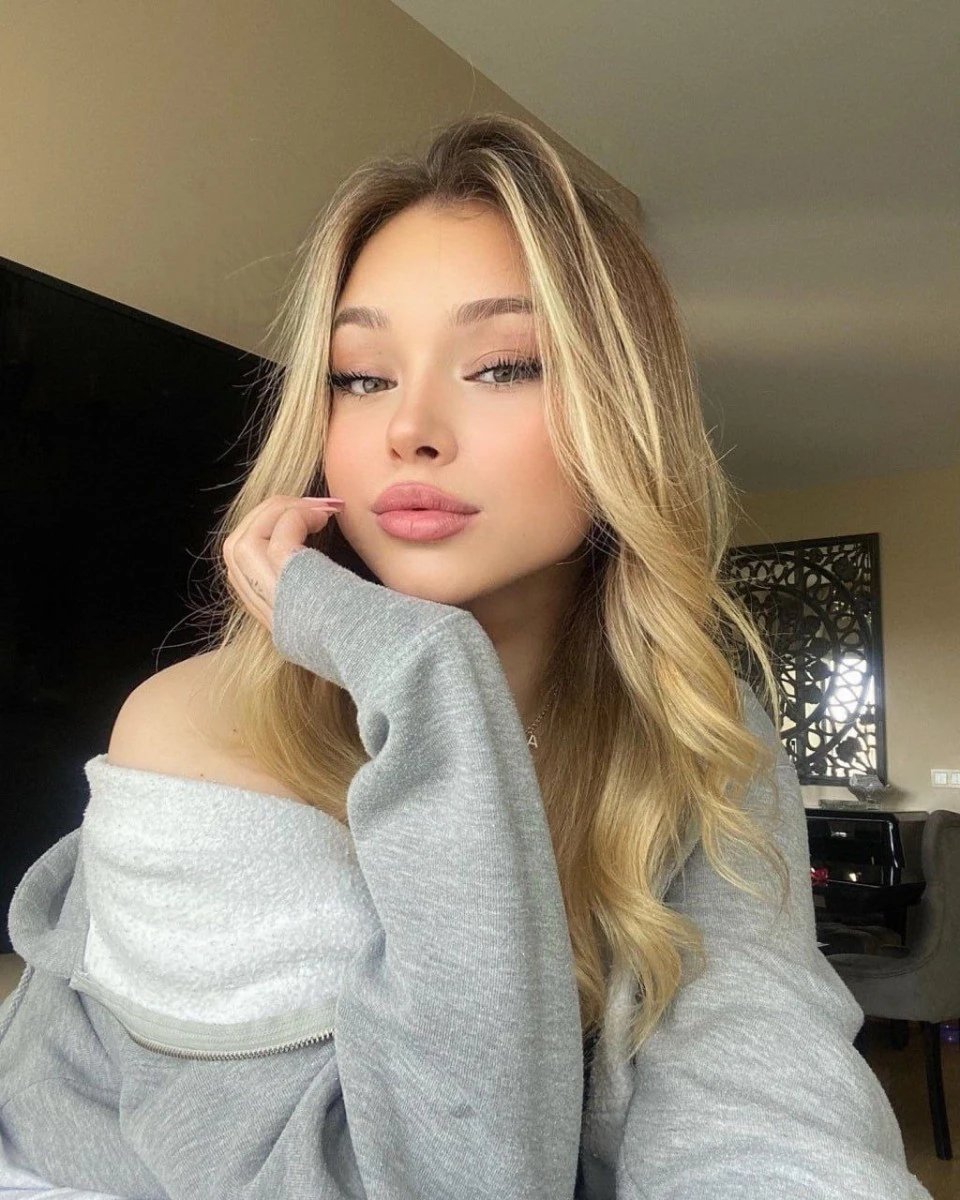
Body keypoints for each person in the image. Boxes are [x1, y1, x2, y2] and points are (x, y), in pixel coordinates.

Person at [0, 113, 930, 1199]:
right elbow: (428, 1178)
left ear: (623, 411)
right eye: (360, 377)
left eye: (503, 366)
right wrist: (424, 674)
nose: (411, 429)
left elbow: (760, 1095)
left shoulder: (699, 727)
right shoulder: (198, 731)